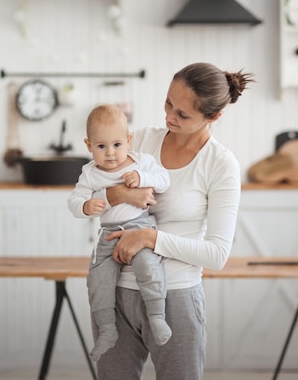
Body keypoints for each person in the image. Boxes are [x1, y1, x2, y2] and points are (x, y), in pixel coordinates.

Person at [91, 62, 252, 380]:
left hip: (177, 298)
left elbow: (217, 255)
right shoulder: (138, 142)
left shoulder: (219, 164)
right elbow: (93, 193)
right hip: (117, 293)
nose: (169, 117)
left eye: (182, 114)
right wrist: (120, 196)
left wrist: (149, 239)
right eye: (168, 103)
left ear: (213, 117)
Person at [68, 104, 172, 362]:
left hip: (140, 227)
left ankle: (157, 316)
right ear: (88, 145)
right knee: (97, 279)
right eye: (101, 147)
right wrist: (85, 205)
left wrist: (142, 177)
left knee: (148, 266)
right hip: (108, 234)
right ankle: (107, 329)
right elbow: (74, 201)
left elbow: (164, 179)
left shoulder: (141, 163)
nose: (111, 153)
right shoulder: (90, 174)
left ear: (127, 141)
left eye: (116, 145)